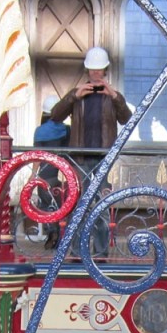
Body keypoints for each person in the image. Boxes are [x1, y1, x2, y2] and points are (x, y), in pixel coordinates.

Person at [49, 47, 131, 258]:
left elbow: (127, 119)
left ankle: (101, 252)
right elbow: (55, 116)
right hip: (81, 157)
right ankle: (77, 251)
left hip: (104, 158)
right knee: (79, 204)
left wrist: (114, 96)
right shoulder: (77, 95)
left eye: (99, 70)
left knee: (102, 204)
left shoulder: (113, 97)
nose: (95, 74)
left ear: (105, 71)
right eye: (92, 70)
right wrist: (73, 97)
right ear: (87, 71)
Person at [33, 94, 70, 249]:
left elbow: (37, 157)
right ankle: (64, 236)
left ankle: (52, 234)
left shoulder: (40, 131)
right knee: (63, 206)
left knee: (47, 206)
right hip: (64, 173)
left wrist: (33, 176)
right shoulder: (67, 130)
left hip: (46, 174)